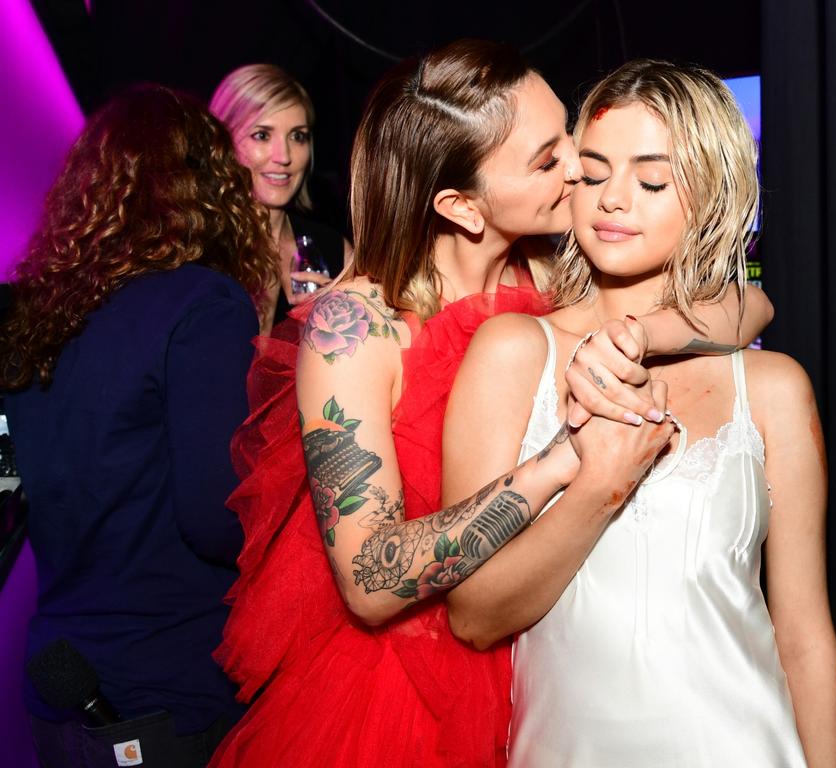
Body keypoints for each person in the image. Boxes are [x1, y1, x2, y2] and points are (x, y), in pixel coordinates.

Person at [211, 41, 773, 768]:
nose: (578, 165)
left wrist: (640, 333)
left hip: (548, 665)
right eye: (547, 160)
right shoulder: (357, 330)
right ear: (461, 205)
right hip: (400, 695)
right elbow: (371, 582)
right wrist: (560, 465)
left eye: (567, 134)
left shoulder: (552, 270)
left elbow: (748, 302)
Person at [444, 60, 836, 767]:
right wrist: (600, 483)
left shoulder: (773, 386)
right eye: (594, 173)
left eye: (652, 180)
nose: (613, 200)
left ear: (710, 193)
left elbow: (806, 639)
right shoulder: (513, 353)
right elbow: (474, 615)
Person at [0, 85, 277, 767]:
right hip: (168, 686)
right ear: (209, 190)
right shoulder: (202, 303)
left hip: (62, 678)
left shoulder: (34, 317)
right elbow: (215, 519)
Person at [211, 63, 349, 332]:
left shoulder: (334, 251)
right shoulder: (197, 248)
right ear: (220, 143)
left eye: (298, 136)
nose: (284, 156)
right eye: (261, 135)